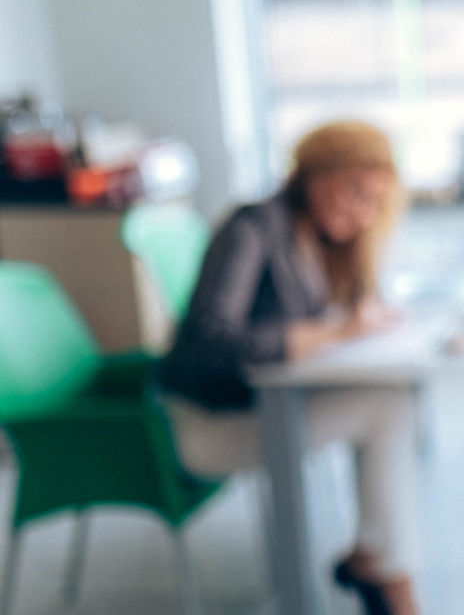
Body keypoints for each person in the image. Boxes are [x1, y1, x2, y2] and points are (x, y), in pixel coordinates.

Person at [156, 120, 422, 615]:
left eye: (374, 202)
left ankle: (376, 559)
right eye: (356, 194)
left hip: (268, 410)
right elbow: (210, 346)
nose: (364, 214)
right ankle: (386, 575)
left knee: (392, 397)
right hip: (210, 425)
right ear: (317, 176)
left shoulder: (318, 237)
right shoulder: (251, 229)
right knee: (388, 407)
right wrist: (334, 333)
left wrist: (357, 316)